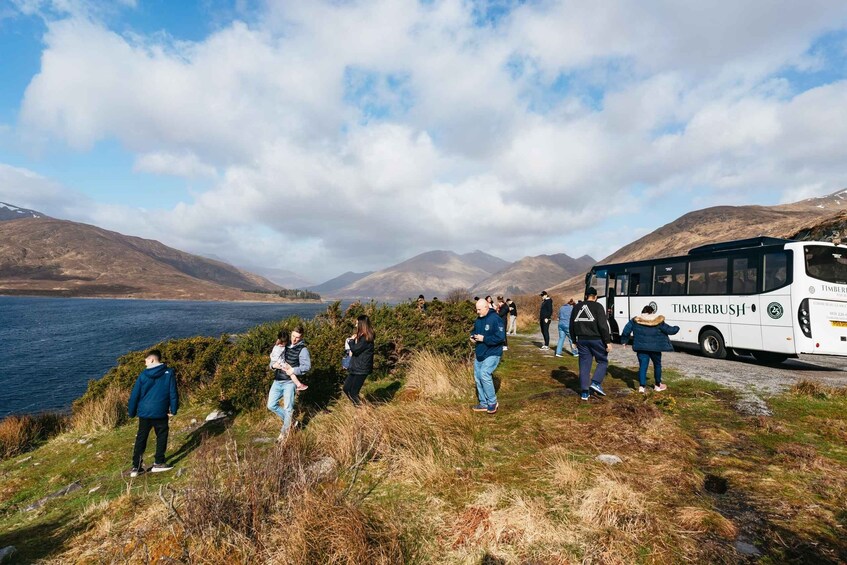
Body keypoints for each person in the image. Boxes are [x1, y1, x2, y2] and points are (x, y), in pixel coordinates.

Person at [128, 349, 179, 477]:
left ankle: (136, 467)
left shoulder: (143, 375)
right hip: (160, 411)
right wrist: (173, 409)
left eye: (146, 360)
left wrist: (131, 412)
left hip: (144, 412)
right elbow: (173, 393)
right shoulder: (169, 373)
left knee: (141, 438)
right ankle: (158, 463)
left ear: (152, 359)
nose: (145, 363)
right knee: (161, 435)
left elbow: (135, 395)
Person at [620, 305, 680, 393]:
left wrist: (624, 341)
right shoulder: (658, 321)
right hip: (655, 348)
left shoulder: (635, 320)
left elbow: (626, 331)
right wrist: (677, 327)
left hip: (641, 348)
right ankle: (657, 385)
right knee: (657, 365)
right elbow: (670, 330)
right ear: (652, 312)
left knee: (643, 366)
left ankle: (642, 386)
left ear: (642, 312)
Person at [267, 325, 311, 439]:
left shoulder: (303, 350)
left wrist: (293, 370)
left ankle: (284, 434)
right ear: (290, 333)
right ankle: (291, 422)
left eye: (297, 337)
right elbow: (273, 359)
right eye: (293, 336)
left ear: (302, 337)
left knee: (288, 409)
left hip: (289, 383)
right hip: (277, 380)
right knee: (271, 405)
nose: (294, 339)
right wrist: (272, 366)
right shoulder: (284, 343)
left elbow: (306, 367)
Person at [569, 287, 612, 401]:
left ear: (585, 296)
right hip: (596, 339)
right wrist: (607, 342)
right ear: (596, 297)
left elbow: (571, 325)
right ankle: (596, 382)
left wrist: (573, 340)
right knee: (602, 361)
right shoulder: (598, 306)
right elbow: (603, 326)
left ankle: (584, 392)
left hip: (582, 340)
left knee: (584, 365)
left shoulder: (577, 307)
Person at [470, 298, 506, 414]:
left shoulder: (495, 319)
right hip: (480, 352)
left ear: (486, 307)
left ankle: (492, 402)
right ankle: (483, 403)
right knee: (478, 377)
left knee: (484, 374)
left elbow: (501, 337)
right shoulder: (478, 319)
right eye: (476, 309)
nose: (477, 312)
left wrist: (484, 339)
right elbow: (474, 331)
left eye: (479, 309)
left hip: (493, 352)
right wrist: (472, 336)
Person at [343, 315, 375, 405]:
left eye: (357, 323)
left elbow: (355, 350)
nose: (356, 325)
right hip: (356, 367)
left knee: (353, 392)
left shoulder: (366, 338)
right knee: (346, 388)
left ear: (362, 324)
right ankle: (358, 406)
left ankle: (361, 409)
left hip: (361, 368)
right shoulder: (362, 336)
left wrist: (351, 341)